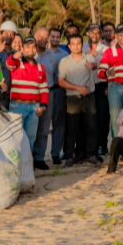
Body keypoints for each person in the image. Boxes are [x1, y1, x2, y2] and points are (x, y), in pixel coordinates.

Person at [57, 34, 100, 166]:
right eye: (73, 44)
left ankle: (91, 155)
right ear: (69, 46)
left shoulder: (88, 57)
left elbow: (94, 64)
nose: (76, 46)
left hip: (89, 98)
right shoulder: (64, 61)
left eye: (78, 43)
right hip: (72, 99)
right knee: (71, 129)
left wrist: (91, 66)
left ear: (82, 45)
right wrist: (78, 88)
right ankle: (69, 157)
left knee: (91, 127)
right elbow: (61, 82)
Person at [5, 36, 49, 151]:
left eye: (33, 47)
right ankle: (16, 166)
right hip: (17, 106)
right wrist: (14, 56)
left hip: (35, 107)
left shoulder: (40, 68)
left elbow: (44, 89)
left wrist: (43, 106)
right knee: (15, 137)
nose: (31, 49)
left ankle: (27, 165)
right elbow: (9, 63)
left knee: (31, 138)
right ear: (22, 49)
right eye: (28, 47)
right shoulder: (17, 64)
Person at [99, 23, 123, 139]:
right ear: (116, 36)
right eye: (120, 35)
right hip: (114, 86)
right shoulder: (109, 52)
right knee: (115, 118)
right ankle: (117, 145)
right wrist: (107, 73)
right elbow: (101, 72)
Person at [32, 27, 59, 170]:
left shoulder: (52, 56)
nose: (43, 38)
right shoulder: (30, 54)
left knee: (43, 128)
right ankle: (29, 157)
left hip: (47, 95)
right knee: (31, 128)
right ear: (35, 37)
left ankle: (39, 158)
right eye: (40, 36)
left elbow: (53, 73)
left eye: (46, 36)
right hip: (31, 95)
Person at [84, 24, 110, 156]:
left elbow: (111, 67)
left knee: (101, 119)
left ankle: (101, 146)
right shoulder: (82, 47)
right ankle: (87, 148)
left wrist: (108, 86)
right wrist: (87, 54)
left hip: (101, 87)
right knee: (88, 119)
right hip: (85, 87)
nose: (95, 35)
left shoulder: (106, 49)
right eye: (92, 32)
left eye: (97, 33)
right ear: (88, 33)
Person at [47, 27, 69, 164]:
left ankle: (55, 153)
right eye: (53, 36)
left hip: (60, 90)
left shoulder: (64, 54)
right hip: (46, 90)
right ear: (49, 37)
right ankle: (37, 155)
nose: (55, 39)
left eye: (57, 37)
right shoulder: (41, 53)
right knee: (43, 124)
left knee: (59, 122)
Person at [0, 14, 18, 110]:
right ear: (1, 34)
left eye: (12, 34)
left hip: (13, 94)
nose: (9, 36)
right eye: (6, 33)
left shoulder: (16, 54)